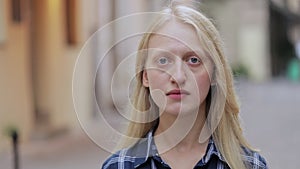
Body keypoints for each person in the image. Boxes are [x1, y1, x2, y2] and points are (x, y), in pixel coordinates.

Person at [102, 2, 268, 169]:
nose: (178, 76)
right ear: (145, 76)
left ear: (215, 74)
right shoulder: (119, 166)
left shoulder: (249, 165)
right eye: (163, 61)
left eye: (193, 60)